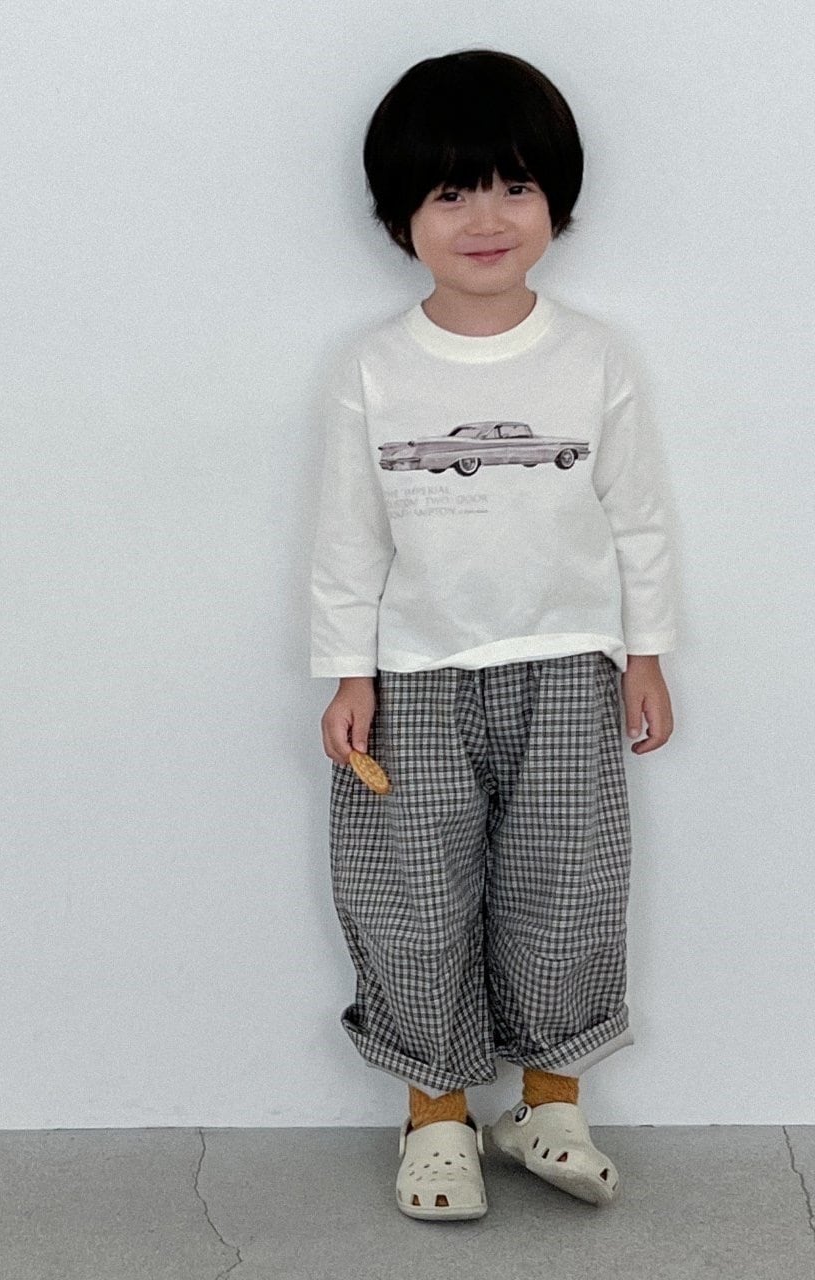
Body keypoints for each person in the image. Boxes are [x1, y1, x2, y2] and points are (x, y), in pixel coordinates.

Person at [308, 48, 679, 1222]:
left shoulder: (593, 355)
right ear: (399, 218)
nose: (484, 217)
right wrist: (345, 673)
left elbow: (635, 514)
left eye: (514, 186)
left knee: (566, 884)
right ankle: (435, 1115)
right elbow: (346, 534)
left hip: (568, 664)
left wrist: (644, 653)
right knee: (412, 893)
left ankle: (548, 1102)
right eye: (449, 191)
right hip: (413, 675)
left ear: (555, 203)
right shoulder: (371, 367)